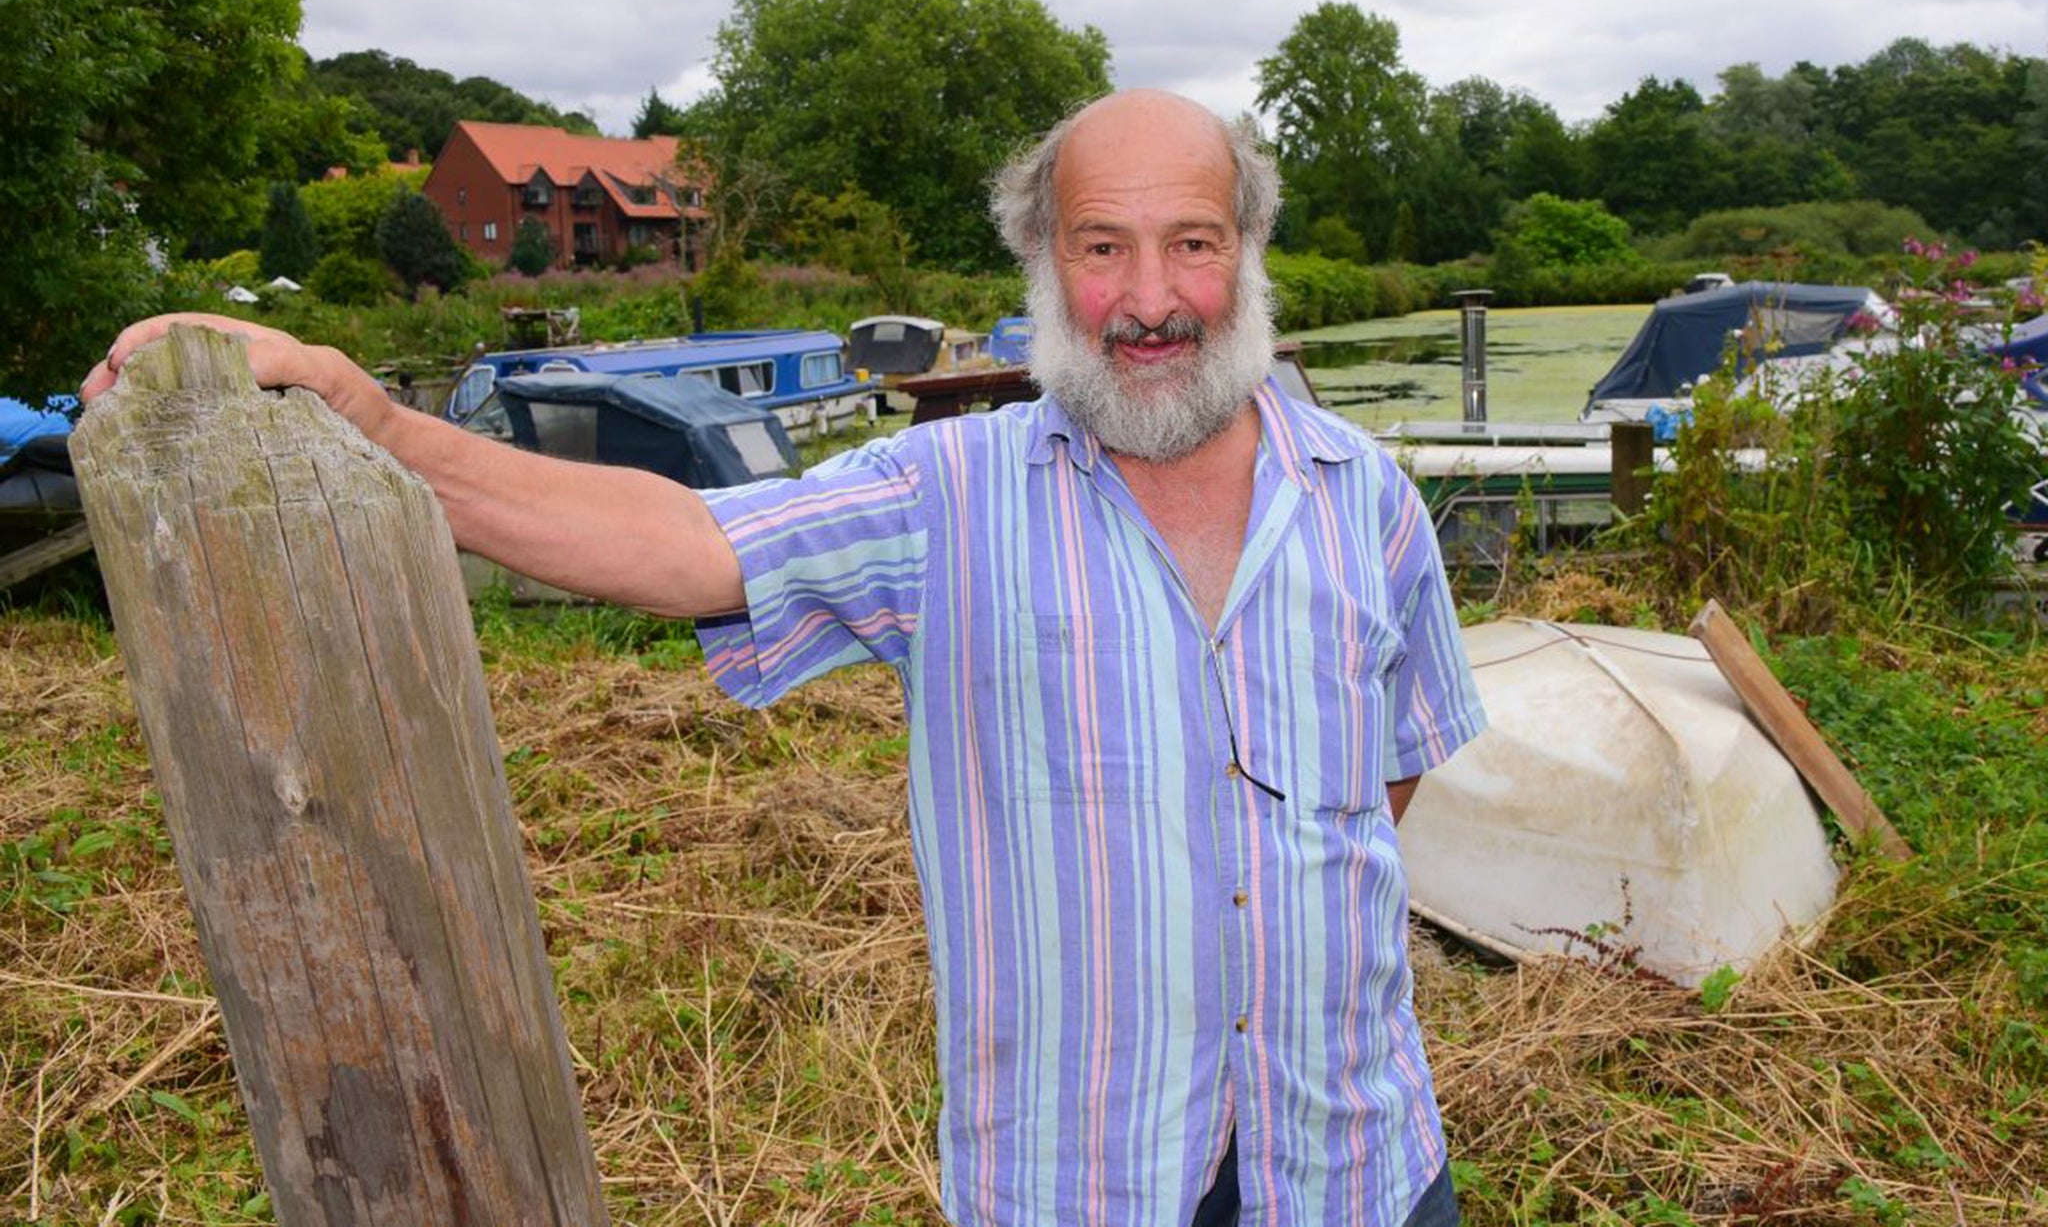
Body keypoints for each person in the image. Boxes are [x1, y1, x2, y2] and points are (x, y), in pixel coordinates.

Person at [87, 90, 1485, 1227]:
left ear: (1246, 248)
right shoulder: (949, 498)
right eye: (1101, 245)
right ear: (1042, 263)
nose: (1149, 296)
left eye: (1191, 242)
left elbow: (1393, 779)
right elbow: (682, 536)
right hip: (1086, 1183)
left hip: (1359, 1163)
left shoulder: (1367, 498)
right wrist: (380, 426)